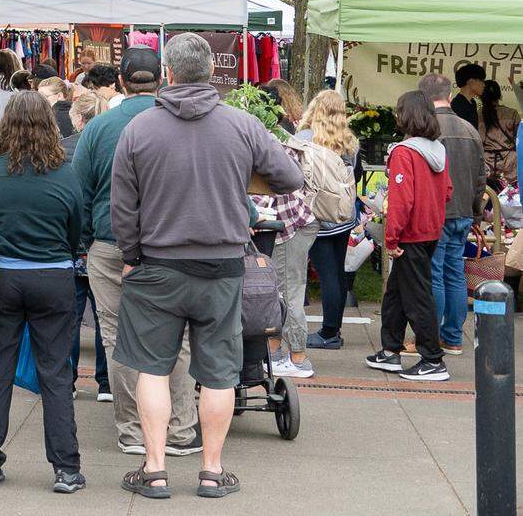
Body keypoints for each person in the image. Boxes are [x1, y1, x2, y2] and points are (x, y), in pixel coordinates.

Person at [111, 33, 304, 499]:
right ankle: (212, 472)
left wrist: (132, 257)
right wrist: (240, 177)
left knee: (152, 370)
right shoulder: (240, 125)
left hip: (156, 265)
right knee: (219, 372)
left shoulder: (138, 130)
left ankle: (154, 469)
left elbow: (123, 208)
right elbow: (290, 177)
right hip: (222, 265)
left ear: (168, 74)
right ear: (212, 74)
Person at [71, 47, 198, 457]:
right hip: (173, 245)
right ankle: (179, 428)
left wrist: (88, 238)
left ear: (121, 80)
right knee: (175, 338)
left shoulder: (100, 127)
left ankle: (131, 430)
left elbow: (80, 192)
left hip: (110, 244)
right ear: (163, 77)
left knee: (118, 338)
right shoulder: (183, 123)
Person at [0, 92, 86, 494]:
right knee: (55, 372)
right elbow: (77, 232)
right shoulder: (66, 175)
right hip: (53, 279)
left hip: (1, 278)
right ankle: (66, 468)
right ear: (50, 126)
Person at [365, 90, 453, 382]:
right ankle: (390, 349)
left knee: (416, 297)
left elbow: (401, 201)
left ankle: (432, 359)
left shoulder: (404, 152)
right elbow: (448, 191)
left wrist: (391, 238)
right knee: (397, 294)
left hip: (411, 233)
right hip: (430, 230)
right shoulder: (438, 151)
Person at [253, 86, 318, 378]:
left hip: (289, 228)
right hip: (291, 225)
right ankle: (278, 352)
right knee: (279, 290)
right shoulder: (278, 136)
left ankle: (299, 357)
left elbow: (269, 193)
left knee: (289, 292)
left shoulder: (270, 143)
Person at [420, 73, 487, 356]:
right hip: (462, 212)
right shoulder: (470, 130)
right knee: (455, 273)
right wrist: (475, 213)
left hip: (437, 212)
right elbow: (481, 177)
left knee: (434, 274)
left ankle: (432, 336)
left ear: (424, 98)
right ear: (449, 95)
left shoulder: (426, 129)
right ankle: (453, 336)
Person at [297, 90, 361, 351]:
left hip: (317, 215)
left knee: (326, 276)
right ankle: (333, 328)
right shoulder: (350, 142)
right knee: (336, 272)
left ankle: (329, 333)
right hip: (342, 216)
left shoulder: (304, 139)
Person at [61, 90, 110, 401]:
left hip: (72, 244)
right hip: (103, 241)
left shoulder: (62, 149)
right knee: (107, 316)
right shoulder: (111, 146)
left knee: (70, 317)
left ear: (77, 119)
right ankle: (106, 382)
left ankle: (68, 378)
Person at [479, 79, 518, 181]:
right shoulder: (512, 113)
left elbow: (477, 141)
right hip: (510, 162)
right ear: (499, 95)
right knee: (511, 195)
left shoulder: (478, 114)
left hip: (486, 162)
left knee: (487, 195)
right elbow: (518, 139)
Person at [451, 62, 485, 130]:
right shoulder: (457, 104)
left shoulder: (473, 103)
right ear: (471, 81)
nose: (484, 84)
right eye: (481, 80)